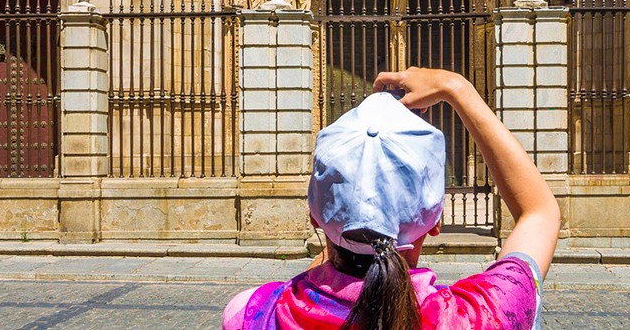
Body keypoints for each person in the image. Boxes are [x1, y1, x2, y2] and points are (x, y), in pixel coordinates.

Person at [223, 67, 559, 329]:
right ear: (436, 221)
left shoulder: (252, 313)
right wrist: (456, 87)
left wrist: (344, 219)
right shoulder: (481, 316)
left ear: (314, 215)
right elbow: (539, 212)